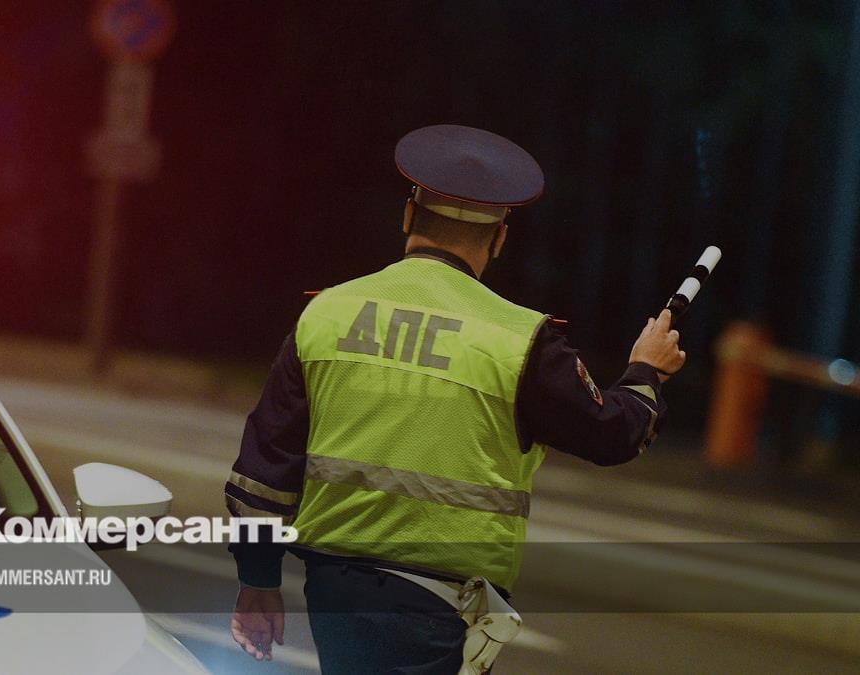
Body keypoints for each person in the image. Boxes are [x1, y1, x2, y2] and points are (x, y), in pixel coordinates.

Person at [223, 124, 686, 673]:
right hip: (439, 606)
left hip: (334, 592)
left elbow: (264, 469)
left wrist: (257, 580)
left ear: (408, 216)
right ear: (500, 238)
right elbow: (612, 433)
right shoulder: (518, 338)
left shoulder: (327, 312)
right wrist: (646, 370)